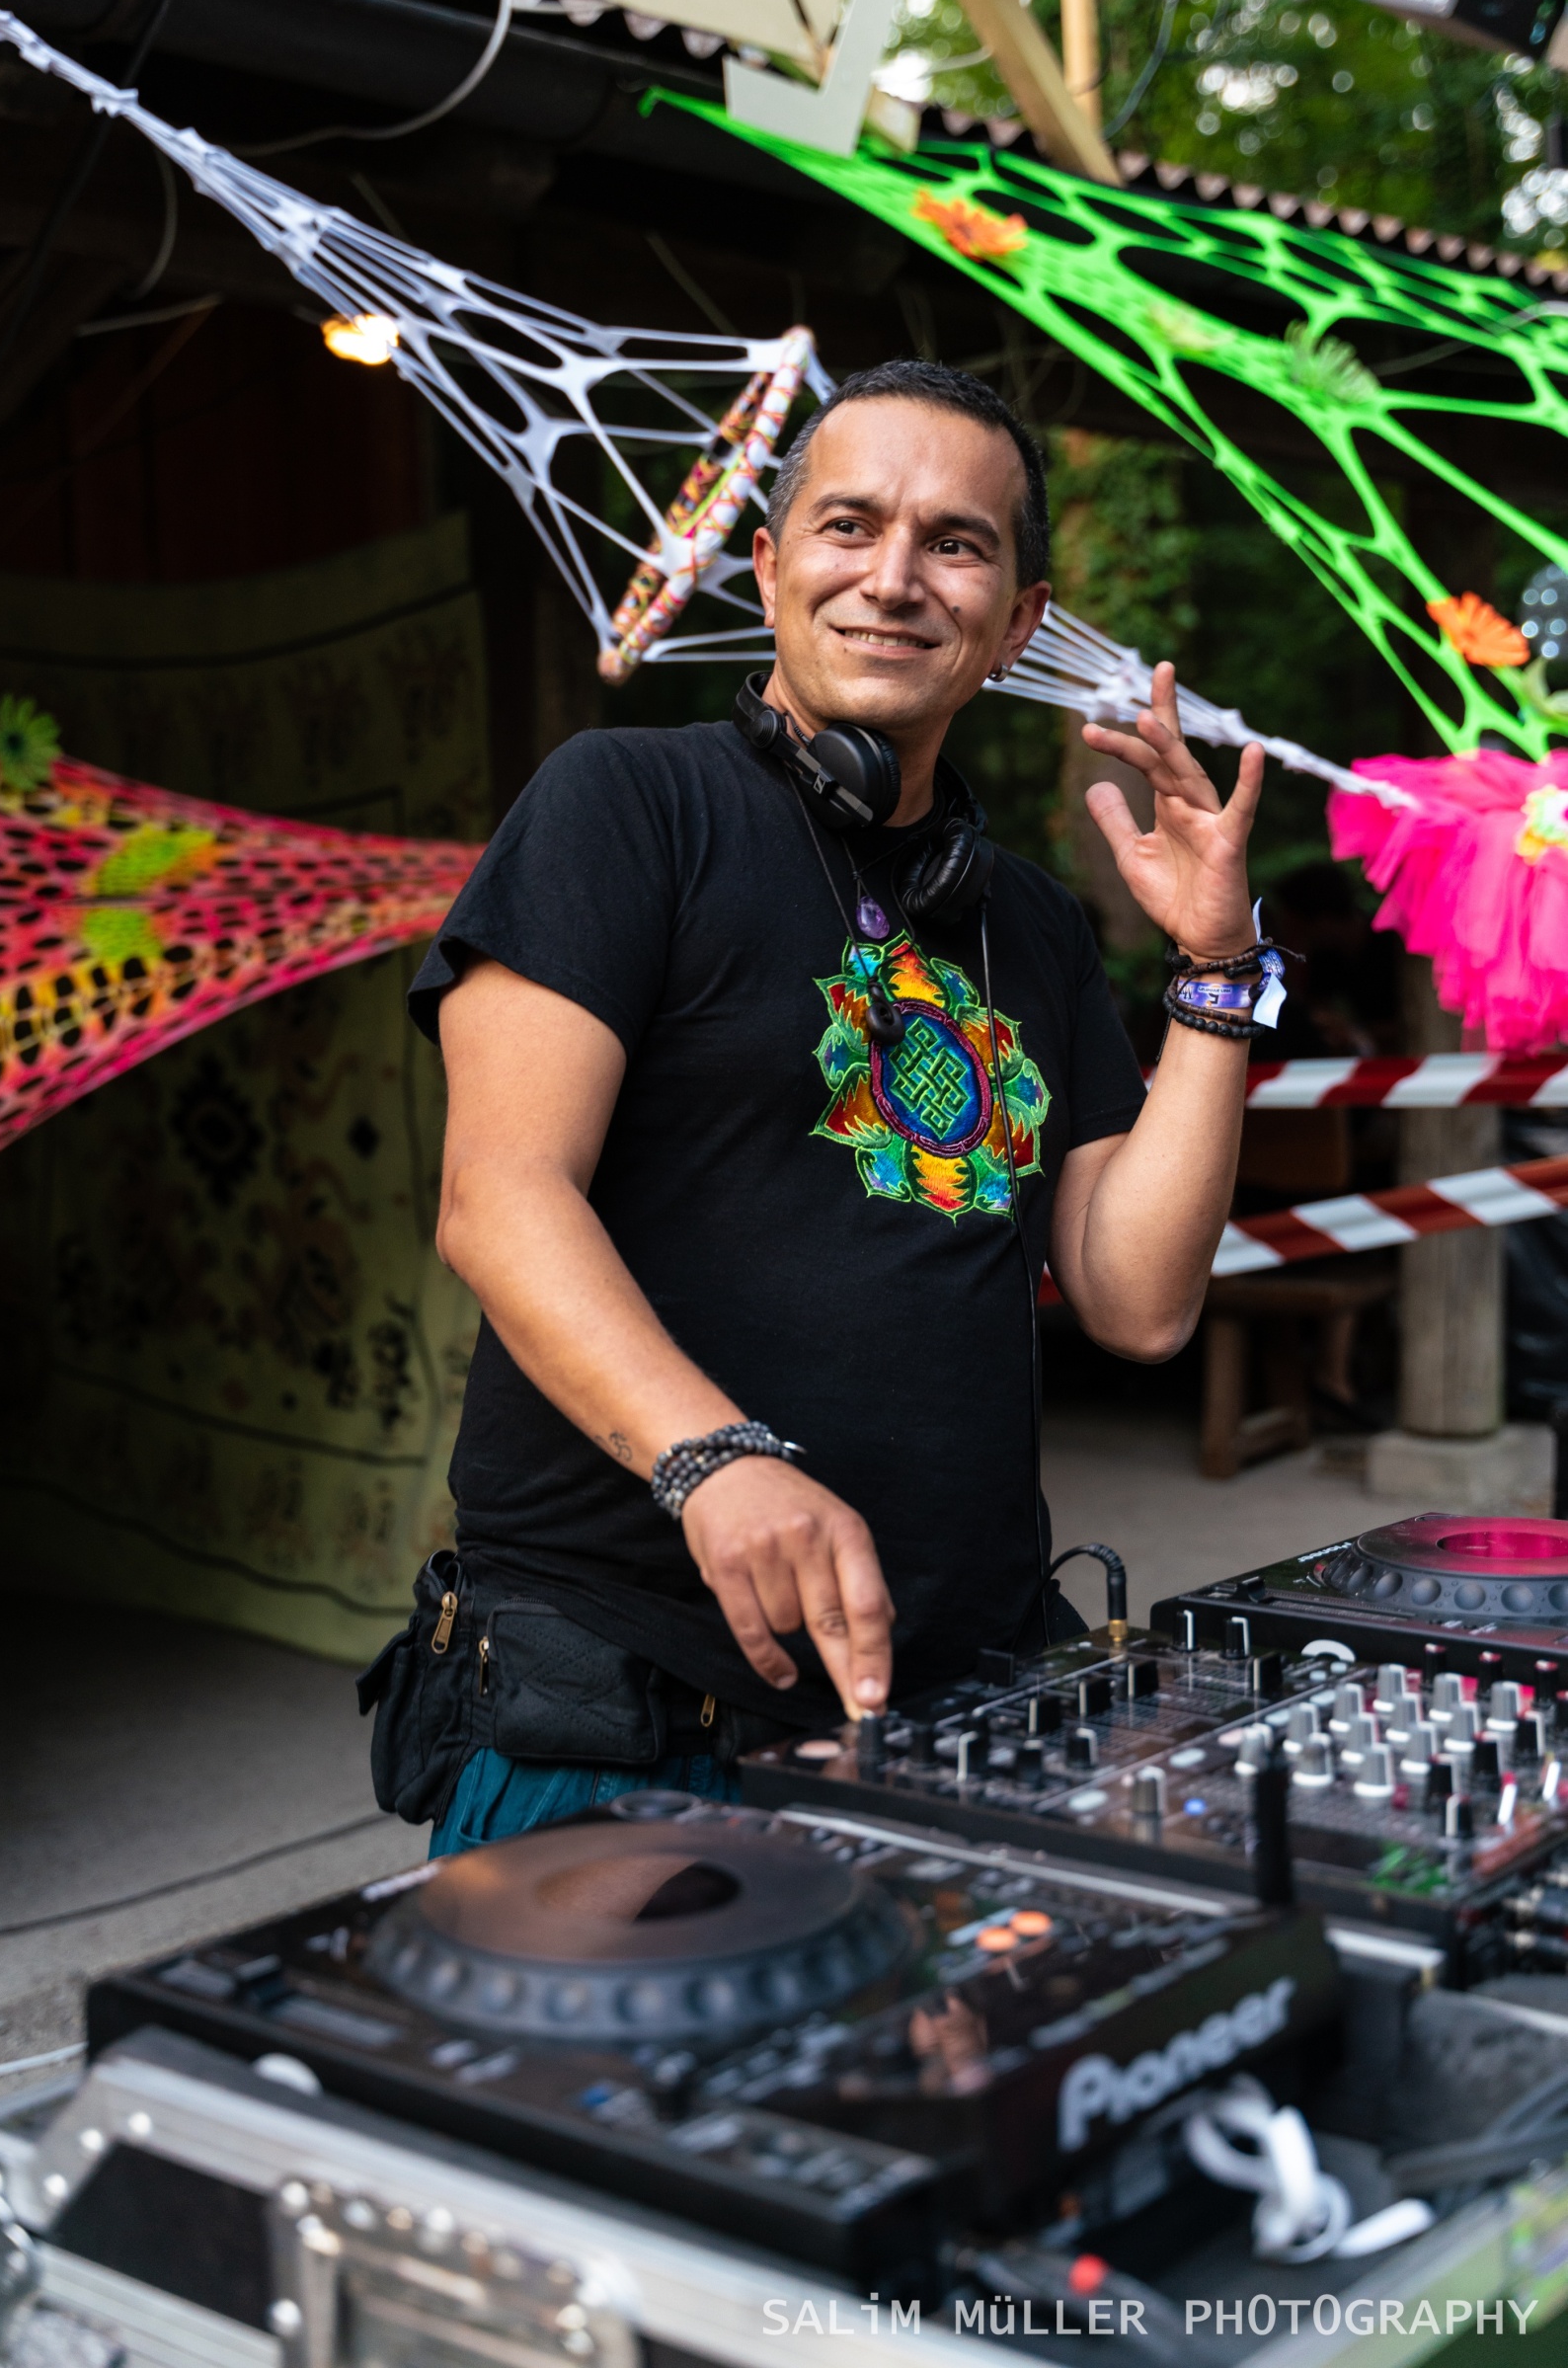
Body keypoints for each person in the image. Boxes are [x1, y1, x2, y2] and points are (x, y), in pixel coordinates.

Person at [399, 358, 1266, 1854]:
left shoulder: (1032, 925)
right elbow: (500, 1196)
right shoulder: (624, 805)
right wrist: (713, 1458)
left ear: (1020, 623)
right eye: (850, 525)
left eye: (956, 543)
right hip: (632, 1703)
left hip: (962, 1694)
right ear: (770, 565)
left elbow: (1138, 1302)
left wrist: (1218, 971)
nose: (895, 577)